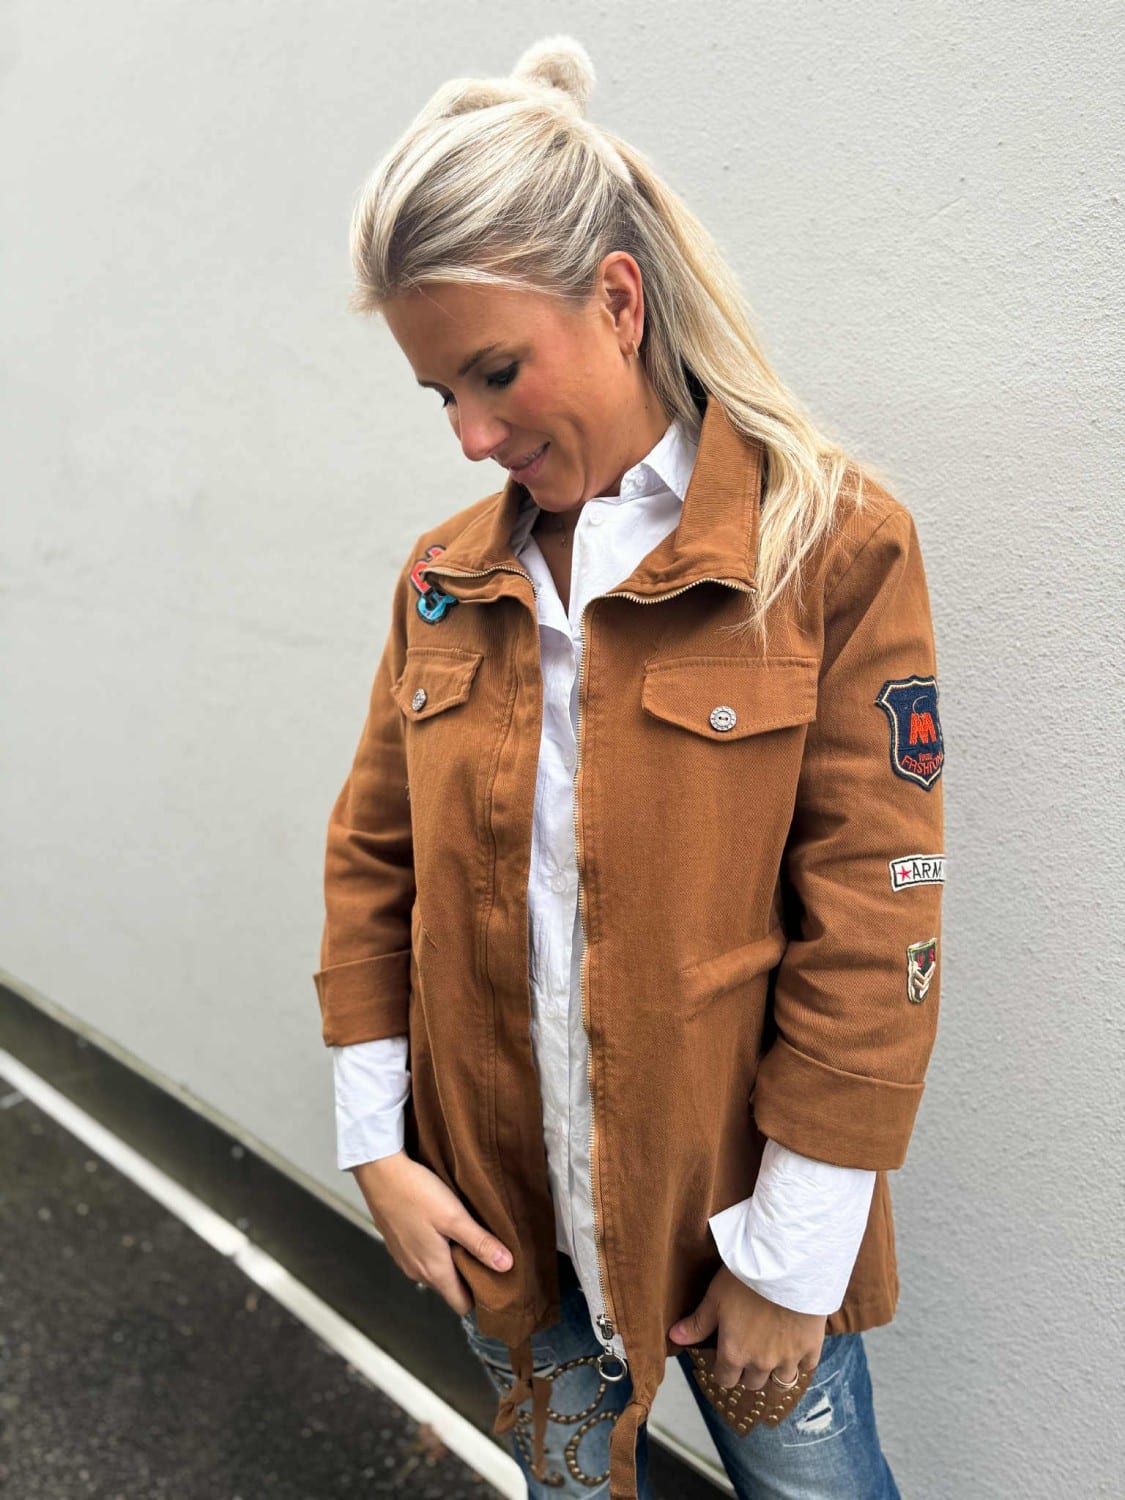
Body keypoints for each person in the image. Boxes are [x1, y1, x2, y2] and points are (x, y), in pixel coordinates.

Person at [314, 34, 944, 1500]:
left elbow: (878, 912)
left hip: (736, 1233)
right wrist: (375, 1147)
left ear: (615, 298)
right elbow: (372, 862)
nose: (472, 437)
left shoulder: (828, 548)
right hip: (507, 1231)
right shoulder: (443, 582)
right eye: (439, 395)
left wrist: (790, 1261)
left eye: (493, 372)